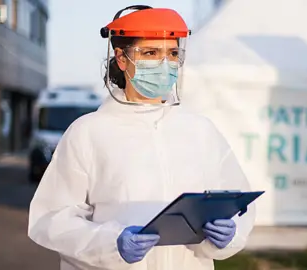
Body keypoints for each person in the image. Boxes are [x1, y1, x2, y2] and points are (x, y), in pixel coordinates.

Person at [28, 5, 256, 270]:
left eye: (172, 53)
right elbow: (52, 218)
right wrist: (112, 243)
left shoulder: (200, 131)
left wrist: (227, 234)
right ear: (122, 59)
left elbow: (237, 205)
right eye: (150, 53)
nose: (164, 63)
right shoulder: (88, 132)